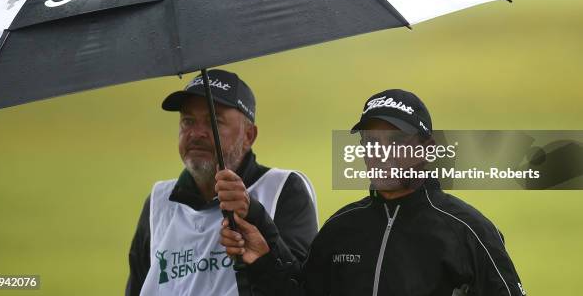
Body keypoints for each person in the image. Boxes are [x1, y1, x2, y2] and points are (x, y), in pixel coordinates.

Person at [219, 89, 526, 296]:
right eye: (370, 141)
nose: (381, 152)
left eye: (395, 140)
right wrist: (261, 260)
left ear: (427, 149)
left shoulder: (468, 230)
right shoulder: (340, 229)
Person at [125, 69, 318, 296]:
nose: (196, 133)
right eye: (188, 121)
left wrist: (255, 216)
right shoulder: (159, 201)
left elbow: (302, 288)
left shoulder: (281, 188)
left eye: (213, 122)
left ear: (249, 136)